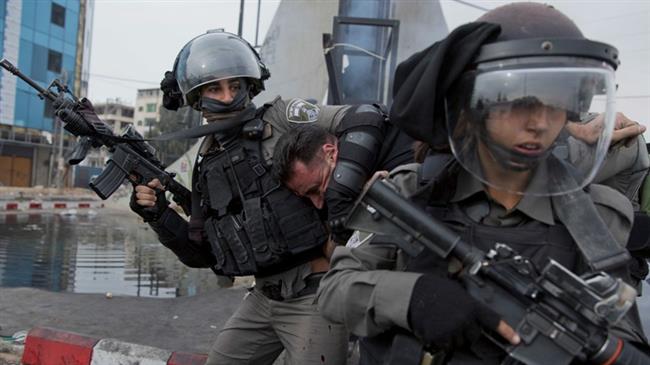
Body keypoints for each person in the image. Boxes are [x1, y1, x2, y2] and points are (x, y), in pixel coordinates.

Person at [315, 3, 650, 364]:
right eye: (520, 102)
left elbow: (621, 333)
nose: (539, 122)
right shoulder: (411, 193)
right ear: (472, 104)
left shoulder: (597, 214)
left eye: (556, 103)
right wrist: (413, 297)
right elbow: (335, 289)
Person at [129, 30, 357, 365]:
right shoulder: (206, 163)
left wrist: (341, 202)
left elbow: (357, 121)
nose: (228, 97)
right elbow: (204, 253)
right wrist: (158, 215)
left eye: (235, 86)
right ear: (196, 97)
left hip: (313, 293)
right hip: (262, 298)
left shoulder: (279, 120)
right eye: (214, 88)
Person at [272, 122, 414, 245]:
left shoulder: (395, 151)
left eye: (315, 189)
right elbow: (331, 255)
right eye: (306, 195)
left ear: (330, 154)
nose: (318, 204)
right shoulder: (320, 197)